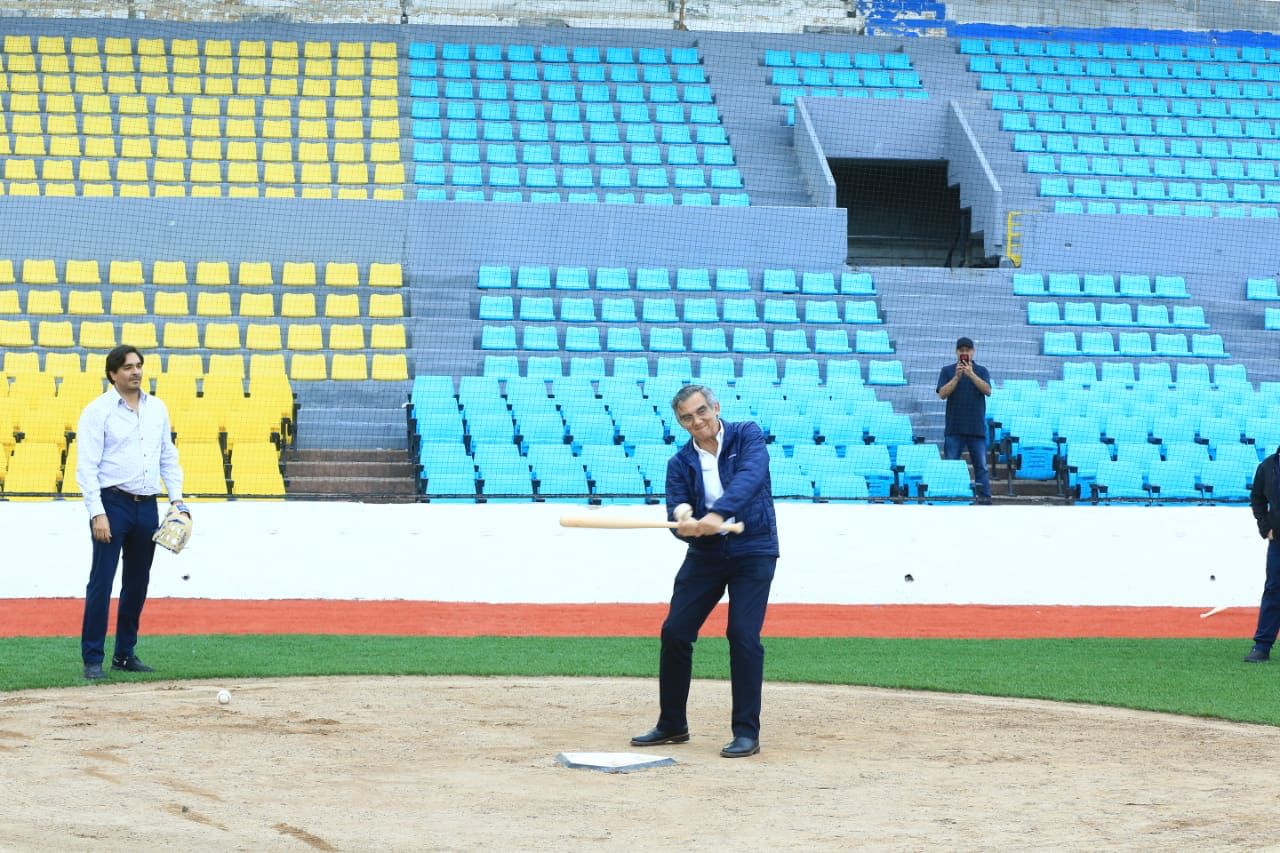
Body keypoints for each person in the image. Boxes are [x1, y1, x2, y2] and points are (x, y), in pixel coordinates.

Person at [630, 385, 779, 758]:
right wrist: (686, 521)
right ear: (680, 423)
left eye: (701, 412)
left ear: (716, 407)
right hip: (706, 554)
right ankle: (672, 724)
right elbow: (676, 507)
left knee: (742, 634)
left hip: (753, 548)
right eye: (687, 418)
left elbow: (751, 478)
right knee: (675, 631)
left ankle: (746, 732)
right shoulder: (680, 462)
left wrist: (717, 513)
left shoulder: (746, 435)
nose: (697, 421)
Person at [76, 345, 188, 680]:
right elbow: (87, 467)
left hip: (147, 506)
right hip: (112, 504)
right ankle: (93, 658)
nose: (135, 371)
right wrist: (97, 512)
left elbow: (167, 456)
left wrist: (177, 501)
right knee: (101, 582)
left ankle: (124, 655)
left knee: (137, 583)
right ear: (113, 374)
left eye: (138, 365)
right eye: (127, 367)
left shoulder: (157, 408)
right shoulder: (97, 411)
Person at [936, 336, 993, 504]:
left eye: (968, 350)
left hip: (976, 428)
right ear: (956, 352)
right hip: (954, 429)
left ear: (973, 352)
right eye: (961, 350)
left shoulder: (981, 371)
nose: (965, 353)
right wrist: (957, 377)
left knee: (981, 467)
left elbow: (988, 391)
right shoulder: (947, 371)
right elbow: (942, 394)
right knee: (951, 466)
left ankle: (984, 498)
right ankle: (950, 497)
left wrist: (971, 374)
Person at [1245, 447, 1280, 663]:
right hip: (1278, 542)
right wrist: (1265, 527)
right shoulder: (1267, 467)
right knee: (1274, 590)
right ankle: (1262, 646)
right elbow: (1257, 498)